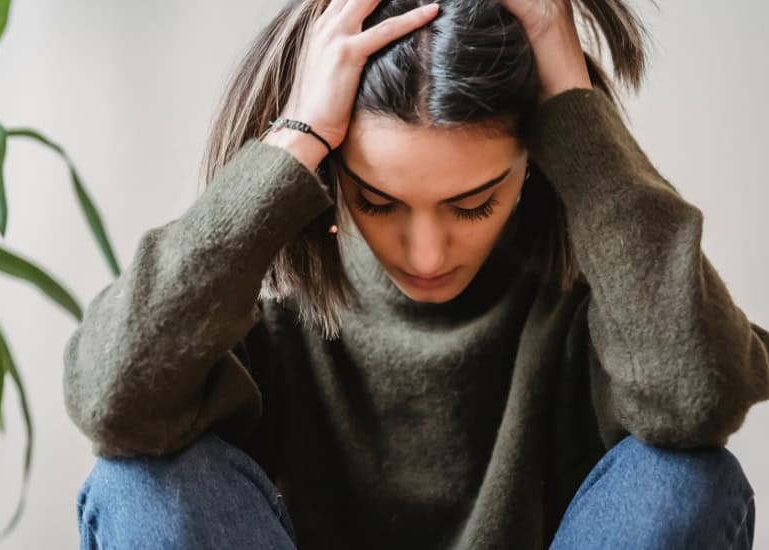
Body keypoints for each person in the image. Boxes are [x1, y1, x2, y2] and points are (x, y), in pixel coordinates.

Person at [65, 0, 767, 548]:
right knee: (139, 484)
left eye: (473, 204)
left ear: (532, 163)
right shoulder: (258, 293)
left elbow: (695, 398)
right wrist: (298, 132)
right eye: (377, 200)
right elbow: (113, 399)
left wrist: (573, 107)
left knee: (690, 479)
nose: (426, 255)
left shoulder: (609, 294)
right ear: (336, 167)